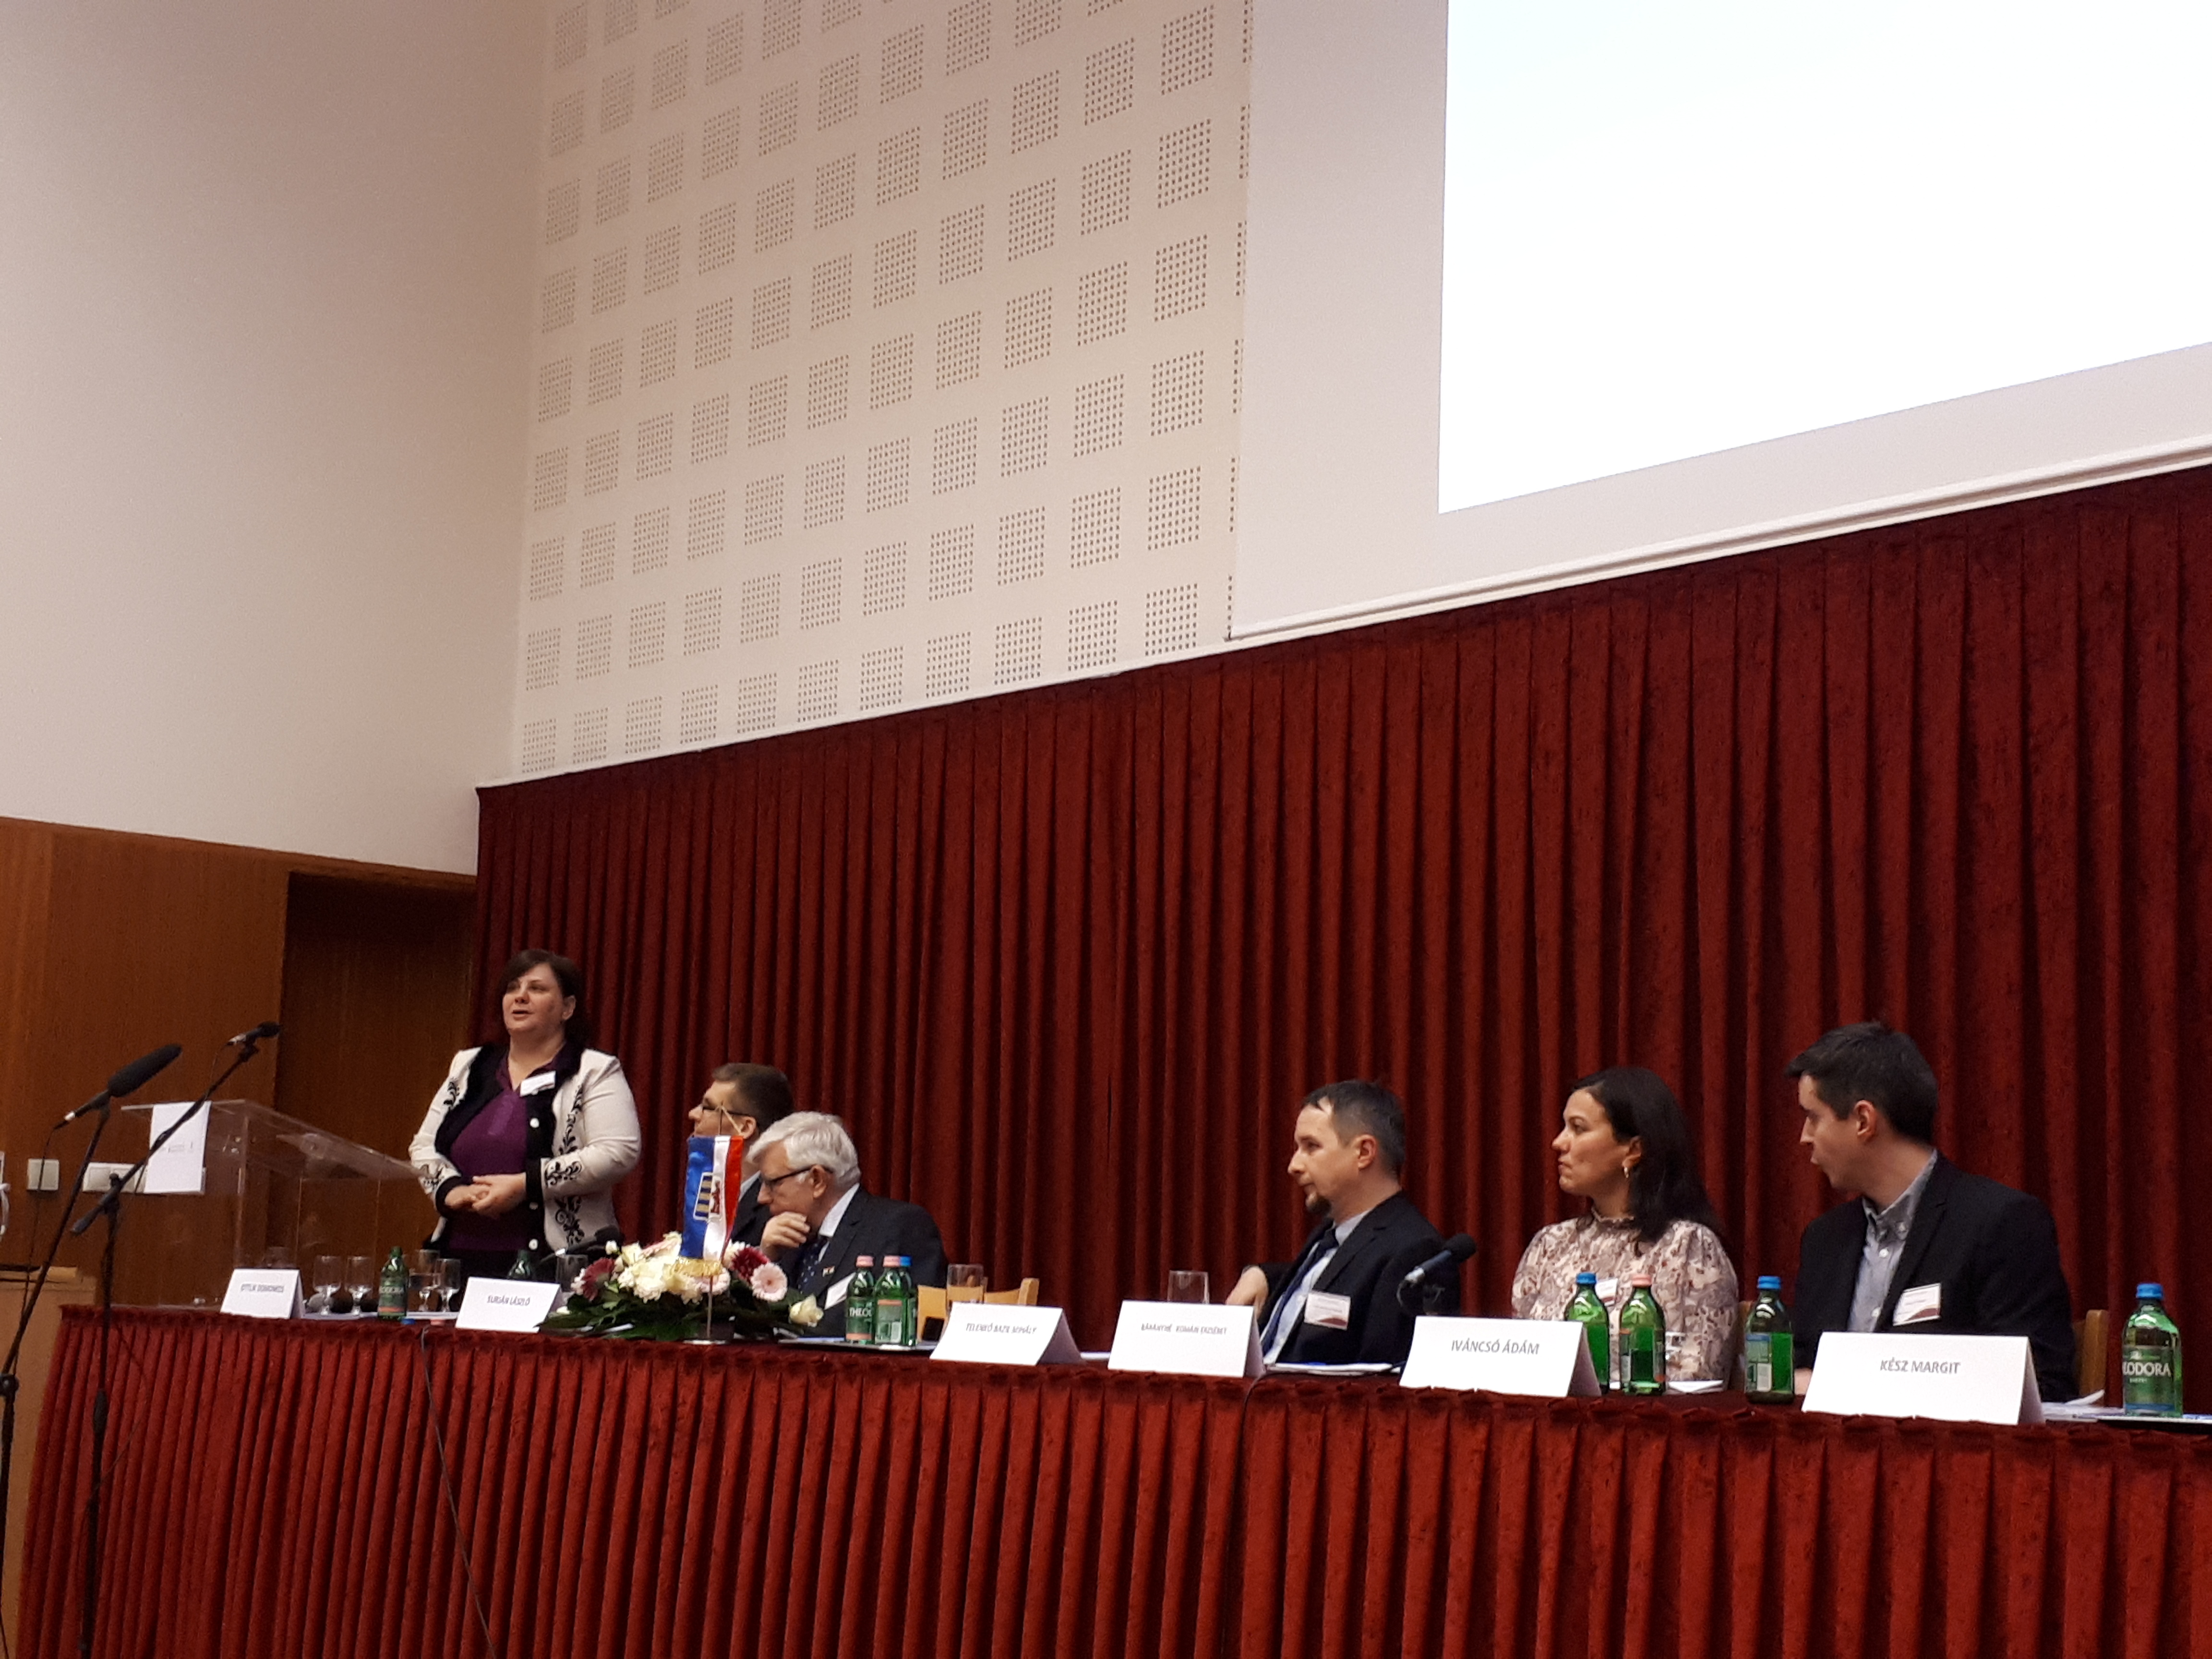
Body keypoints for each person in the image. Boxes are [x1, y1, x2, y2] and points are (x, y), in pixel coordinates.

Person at [1789, 1022, 2075, 1403]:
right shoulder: (1825, 1240)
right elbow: (1799, 1372)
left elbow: (2040, 1384)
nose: (1805, 1137)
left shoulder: (2003, 1224)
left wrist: (1858, 1384)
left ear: (1863, 1121)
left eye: (1813, 1117)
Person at [409, 949, 640, 1283]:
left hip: (556, 1265)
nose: (520, 997)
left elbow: (618, 1152)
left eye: (537, 988)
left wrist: (526, 1185)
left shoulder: (594, 1070)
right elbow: (423, 1146)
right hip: (460, 1261)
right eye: (512, 988)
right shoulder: (469, 1065)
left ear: (568, 1008)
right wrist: (449, 1189)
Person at [1510, 1067, 1739, 1381]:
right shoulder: (1549, 1246)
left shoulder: (1689, 1248)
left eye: (1578, 1129)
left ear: (1633, 1150)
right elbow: (1518, 1364)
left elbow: (1698, 1376)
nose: (1558, 1143)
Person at [1226, 1081, 1457, 1366]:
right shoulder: (1331, 1236)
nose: (1294, 1166)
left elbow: (1380, 1378)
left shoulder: (1414, 1251)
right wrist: (1263, 1274)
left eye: (1311, 1147)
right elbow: (1337, 1279)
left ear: (1364, 1153)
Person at [748, 1111, 945, 1336]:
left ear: (817, 1180)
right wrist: (766, 1261)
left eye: (772, 1183)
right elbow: (750, 1327)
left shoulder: (901, 1228)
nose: (761, 1198)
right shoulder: (784, 1239)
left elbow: (907, 1328)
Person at [687, 1062, 796, 1244]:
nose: (693, 1114)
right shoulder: (708, 1188)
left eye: (708, 1108)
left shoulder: (776, 1207)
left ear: (745, 1128)